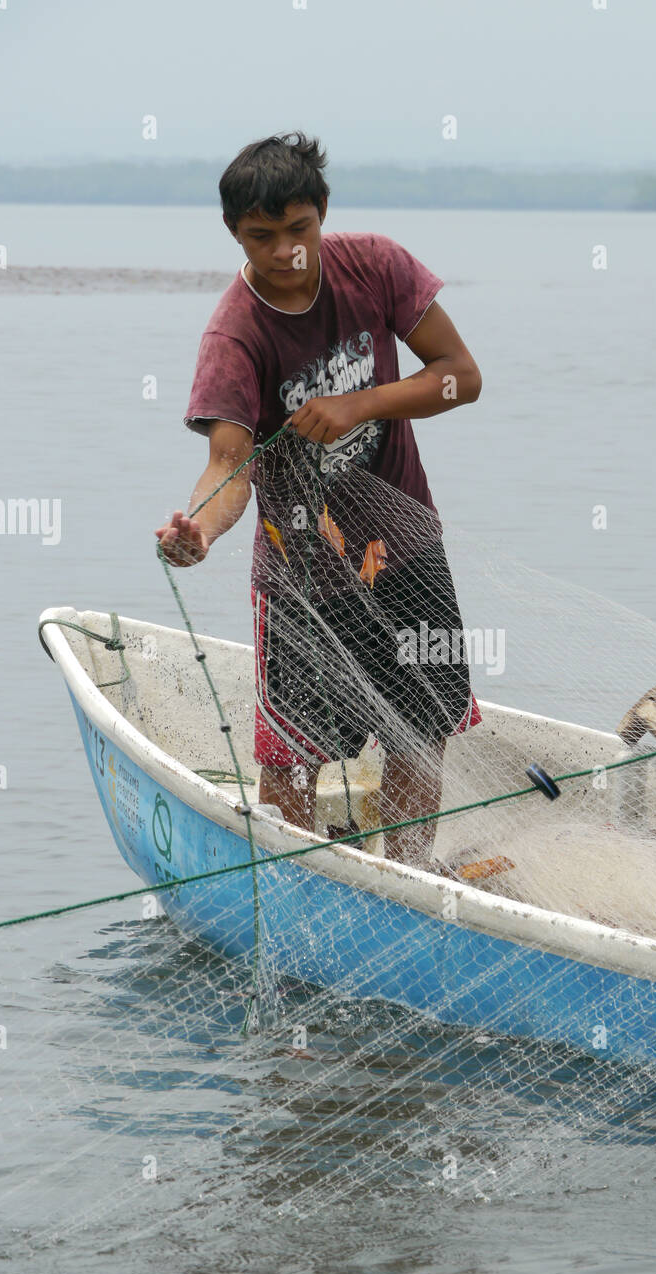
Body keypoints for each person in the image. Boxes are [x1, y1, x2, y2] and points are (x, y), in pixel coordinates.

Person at [156, 131, 483, 867]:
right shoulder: (235, 336)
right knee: (295, 748)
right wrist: (198, 532)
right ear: (233, 233)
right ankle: (297, 871)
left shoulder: (374, 266)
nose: (285, 253)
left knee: (417, 719)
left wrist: (358, 404)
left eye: (299, 230)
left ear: (323, 213)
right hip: (303, 567)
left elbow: (462, 377)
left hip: (404, 542)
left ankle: (406, 870)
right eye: (261, 236)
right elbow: (227, 464)